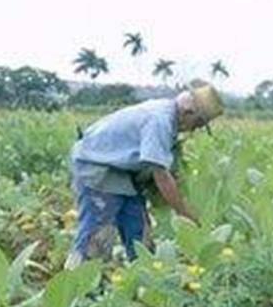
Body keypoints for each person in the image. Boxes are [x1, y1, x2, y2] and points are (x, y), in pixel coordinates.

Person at [64, 84, 222, 268]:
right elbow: (161, 175)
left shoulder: (168, 114)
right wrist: (184, 214)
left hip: (122, 170)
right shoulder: (159, 120)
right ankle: (78, 287)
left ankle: (146, 284)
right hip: (97, 165)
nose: (193, 130)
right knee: (98, 235)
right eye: (198, 124)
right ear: (188, 112)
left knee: (139, 231)